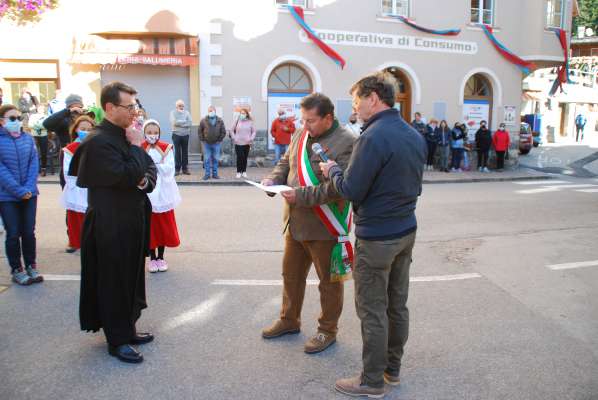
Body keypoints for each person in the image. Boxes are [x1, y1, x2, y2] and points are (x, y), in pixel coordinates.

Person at [319, 72, 426, 398]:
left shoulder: (372, 137)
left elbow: (352, 189)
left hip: (377, 236)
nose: (355, 109)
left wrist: (332, 170)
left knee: (372, 309)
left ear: (373, 98)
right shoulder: (413, 133)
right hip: (405, 230)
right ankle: (392, 371)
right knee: (397, 305)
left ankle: (371, 381)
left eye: (356, 102)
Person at [68, 81, 157, 364]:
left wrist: (142, 177)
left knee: (131, 276)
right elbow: (126, 175)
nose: (135, 112)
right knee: (112, 280)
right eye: (129, 106)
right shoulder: (97, 142)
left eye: (135, 106)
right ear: (109, 107)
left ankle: (128, 327)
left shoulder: (125, 135)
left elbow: (148, 169)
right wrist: (136, 160)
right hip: (110, 223)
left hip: (131, 219)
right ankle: (116, 340)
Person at [260, 93, 355, 355]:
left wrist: (300, 195)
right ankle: (289, 320)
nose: (305, 125)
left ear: (328, 118)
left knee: (329, 282)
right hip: (295, 222)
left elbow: (338, 189)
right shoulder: (301, 134)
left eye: (310, 121)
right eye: (303, 120)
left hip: (325, 226)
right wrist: (272, 181)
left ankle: (327, 330)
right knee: (291, 276)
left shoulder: (347, 142)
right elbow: (285, 163)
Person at [0, 104, 43, 286]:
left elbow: (34, 164)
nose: (16, 121)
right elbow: (1, 171)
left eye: (18, 118)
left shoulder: (27, 139)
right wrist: (18, 190)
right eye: (12, 118)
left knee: (28, 232)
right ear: (2, 121)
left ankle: (31, 265)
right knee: (13, 233)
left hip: (29, 194)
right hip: (7, 196)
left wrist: (28, 188)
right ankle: (17, 269)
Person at [141, 120, 181, 273]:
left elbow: (169, 168)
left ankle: (161, 256)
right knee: (150, 226)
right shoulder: (140, 148)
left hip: (163, 191)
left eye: (155, 132)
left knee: (163, 226)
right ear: (144, 132)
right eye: (149, 132)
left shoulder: (166, 148)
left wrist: (153, 166)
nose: (152, 135)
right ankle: (152, 258)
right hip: (148, 191)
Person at [61, 115, 95, 253]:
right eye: (83, 129)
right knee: (77, 221)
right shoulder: (69, 149)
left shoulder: (97, 146)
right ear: (76, 130)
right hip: (77, 189)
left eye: (89, 129)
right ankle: (76, 242)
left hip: (93, 189)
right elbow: (68, 172)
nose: (86, 131)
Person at [198, 106, 226, 180]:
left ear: (215, 111)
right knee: (206, 159)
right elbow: (200, 131)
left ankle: (215, 174)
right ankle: (207, 174)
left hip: (216, 143)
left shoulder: (220, 120)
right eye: (210, 111)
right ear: (208, 111)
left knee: (215, 159)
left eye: (212, 110)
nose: (211, 112)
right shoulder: (203, 120)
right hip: (207, 144)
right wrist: (202, 139)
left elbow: (223, 131)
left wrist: (219, 139)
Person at [230, 108, 256, 179]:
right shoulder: (237, 121)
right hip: (238, 143)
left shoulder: (250, 122)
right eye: (241, 113)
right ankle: (238, 172)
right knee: (240, 157)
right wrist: (234, 137)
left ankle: (244, 171)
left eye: (244, 113)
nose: (242, 114)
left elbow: (254, 131)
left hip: (247, 143)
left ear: (247, 114)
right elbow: (231, 130)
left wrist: (251, 138)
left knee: (244, 158)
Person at [170, 100, 192, 175]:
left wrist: (179, 122)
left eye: (182, 105)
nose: (181, 107)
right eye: (179, 105)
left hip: (185, 135)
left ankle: (185, 169)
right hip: (176, 135)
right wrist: (184, 122)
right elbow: (174, 122)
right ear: (176, 106)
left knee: (185, 152)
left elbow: (190, 123)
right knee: (177, 152)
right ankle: (177, 169)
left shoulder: (187, 113)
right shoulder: (173, 113)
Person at [28, 105, 49, 177]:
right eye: (39, 108)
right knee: (34, 153)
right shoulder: (33, 116)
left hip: (44, 136)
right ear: (37, 109)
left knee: (44, 153)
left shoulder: (46, 117)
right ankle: (35, 169)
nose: (41, 109)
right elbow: (30, 125)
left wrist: (37, 125)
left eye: (42, 108)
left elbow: (46, 126)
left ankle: (43, 169)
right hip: (34, 136)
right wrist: (39, 126)